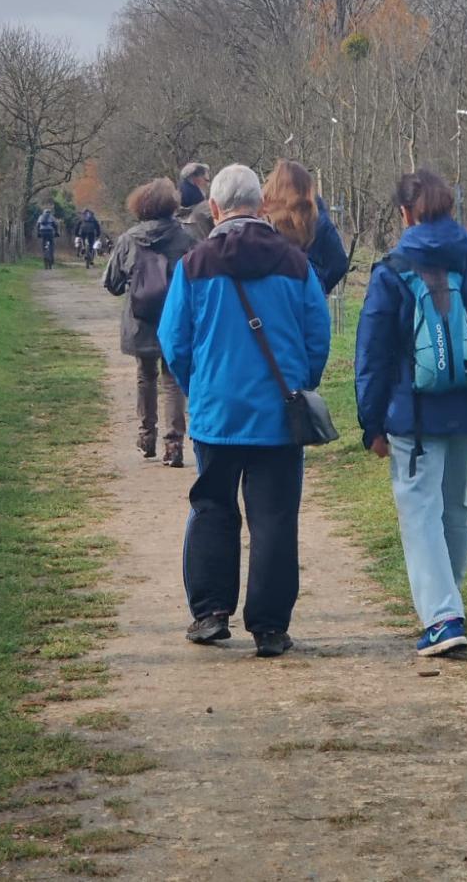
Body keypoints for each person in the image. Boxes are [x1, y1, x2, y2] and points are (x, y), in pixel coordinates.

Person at [354, 169, 467, 657]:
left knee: (420, 513)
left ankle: (442, 616)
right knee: (457, 505)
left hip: (414, 416)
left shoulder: (391, 270)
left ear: (405, 214)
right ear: (452, 209)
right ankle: (448, 601)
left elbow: (370, 355)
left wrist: (371, 422)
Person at [158, 163, 331, 657]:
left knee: (212, 508)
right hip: (278, 415)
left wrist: (201, 389)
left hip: (218, 415)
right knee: (275, 518)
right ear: (260, 206)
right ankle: (270, 626)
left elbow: (175, 342)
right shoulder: (296, 264)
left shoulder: (194, 265)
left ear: (214, 210)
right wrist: (300, 386)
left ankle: (210, 613)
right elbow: (317, 336)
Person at [103, 178, 196, 466]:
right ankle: (174, 443)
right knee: (173, 380)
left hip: (141, 319)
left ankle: (146, 436)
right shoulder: (186, 239)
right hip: (176, 318)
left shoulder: (129, 239)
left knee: (145, 376)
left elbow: (113, 283)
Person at [261, 159, 349, 293]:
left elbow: (340, 262)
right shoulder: (318, 215)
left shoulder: (266, 216)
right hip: (309, 289)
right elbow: (339, 261)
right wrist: (320, 284)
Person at [176, 162, 214, 240]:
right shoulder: (209, 210)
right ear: (198, 181)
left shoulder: (170, 214)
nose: (208, 185)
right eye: (207, 180)